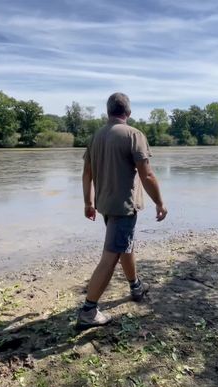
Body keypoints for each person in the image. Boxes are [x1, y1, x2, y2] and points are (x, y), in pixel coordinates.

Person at [77, 92, 168, 329]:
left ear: (108, 112)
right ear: (127, 112)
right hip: (123, 207)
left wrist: (88, 202)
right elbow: (147, 175)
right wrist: (159, 202)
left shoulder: (97, 136)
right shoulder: (134, 135)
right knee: (111, 255)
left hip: (106, 205)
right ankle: (88, 311)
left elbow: (87, 173)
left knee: (124, 245)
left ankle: (135, 286)